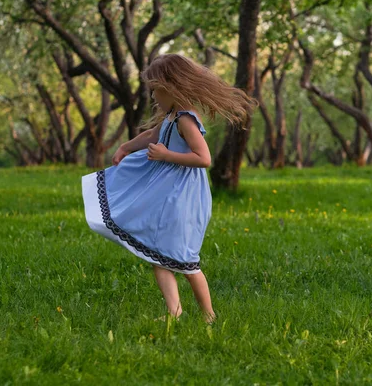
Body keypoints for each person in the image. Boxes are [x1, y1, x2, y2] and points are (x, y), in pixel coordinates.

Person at [81, 54, 254, 323]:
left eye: (155, 90)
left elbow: (203, 158)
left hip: (183, 197)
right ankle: (174, 312)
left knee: (186, 260)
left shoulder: (186, 119)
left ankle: (209, 316)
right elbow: (152, 135)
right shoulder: (172, 116)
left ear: (172, 87)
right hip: (169, 194)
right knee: (159, 255)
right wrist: (126, 147)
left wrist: (166, 155)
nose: (153, 97)